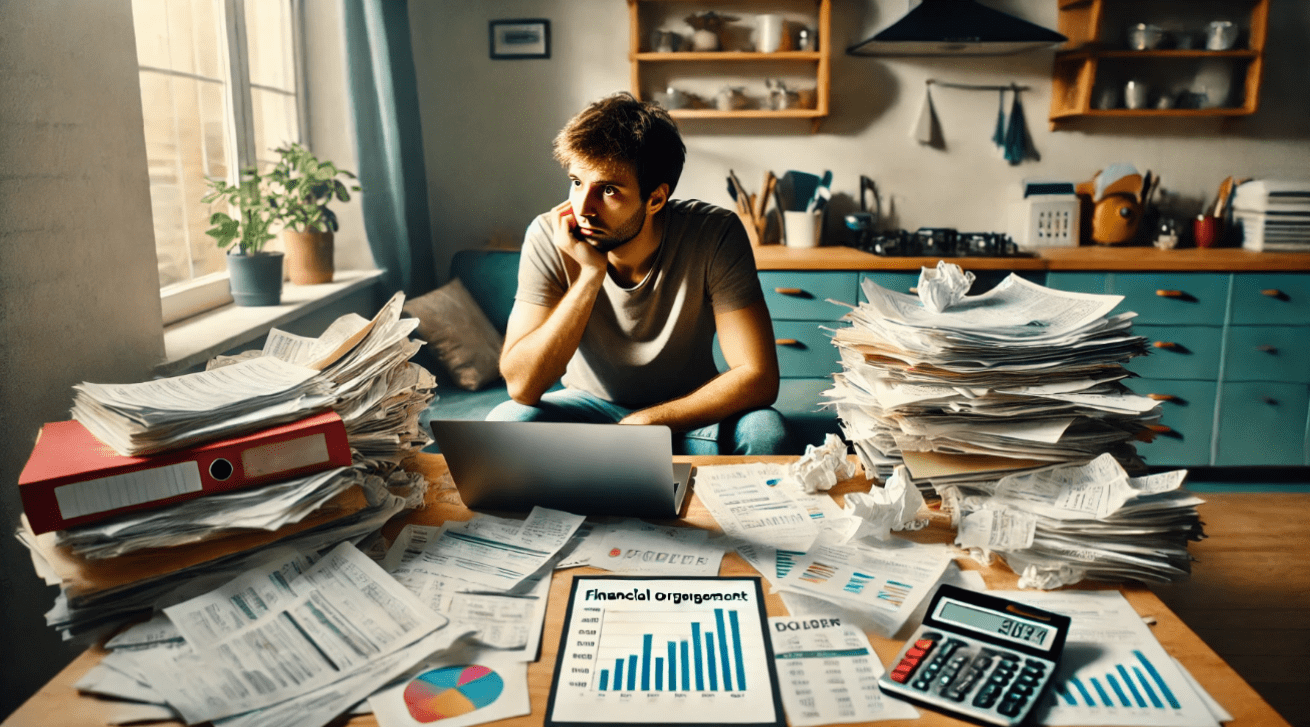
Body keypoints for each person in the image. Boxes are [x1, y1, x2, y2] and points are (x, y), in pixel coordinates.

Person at [487, 92, 787, 455]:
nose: (583, 208)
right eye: (577, 181)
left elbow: (758, 376)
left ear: (656, 199)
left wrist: (648, 421)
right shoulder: (550, 235)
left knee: (765, 431)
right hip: (588, 409)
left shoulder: (714, 233)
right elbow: (522, 387)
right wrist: (589, 276)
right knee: (505, 423)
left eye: (608, 190)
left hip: (688, 411)